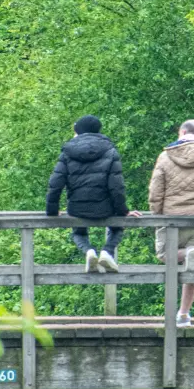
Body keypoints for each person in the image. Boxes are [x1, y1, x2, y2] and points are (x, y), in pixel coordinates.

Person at [148, 119, 194, 327]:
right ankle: (183, 314)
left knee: (164, 254)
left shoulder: (165, 157)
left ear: (182, 132)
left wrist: (156, 214)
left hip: (171, 217)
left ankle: (186, 254)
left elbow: (156, 191)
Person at [45, 115, 131, 273]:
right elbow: (116, 186)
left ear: (78, 131)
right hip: (105, 208)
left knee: (78, 232)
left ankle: (89, 251)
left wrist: (52, 211)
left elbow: (55, 184)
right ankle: (107, 252)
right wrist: (123, 211)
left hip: (77, 208)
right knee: (117, 227)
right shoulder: (110, 151)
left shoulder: (67, 152)